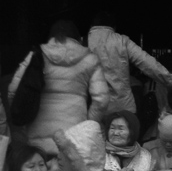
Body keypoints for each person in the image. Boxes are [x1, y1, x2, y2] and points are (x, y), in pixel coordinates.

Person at [8, 20, 109, 157]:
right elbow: (102, 99)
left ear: (51, 37)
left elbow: (14, 90)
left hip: (37, 137)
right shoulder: (90, 60)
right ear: (78, 38)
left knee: (41, 169)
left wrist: (24, 119)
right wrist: (88, 123)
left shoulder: (37, 55)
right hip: (75, 137)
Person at [88, 11, 172, 115]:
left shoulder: (85, 43)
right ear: (114, 27)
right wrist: (169, 79)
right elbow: (147, 62)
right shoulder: (122, 41)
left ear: (91, 26)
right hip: (123, 108)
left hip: (94, 109)